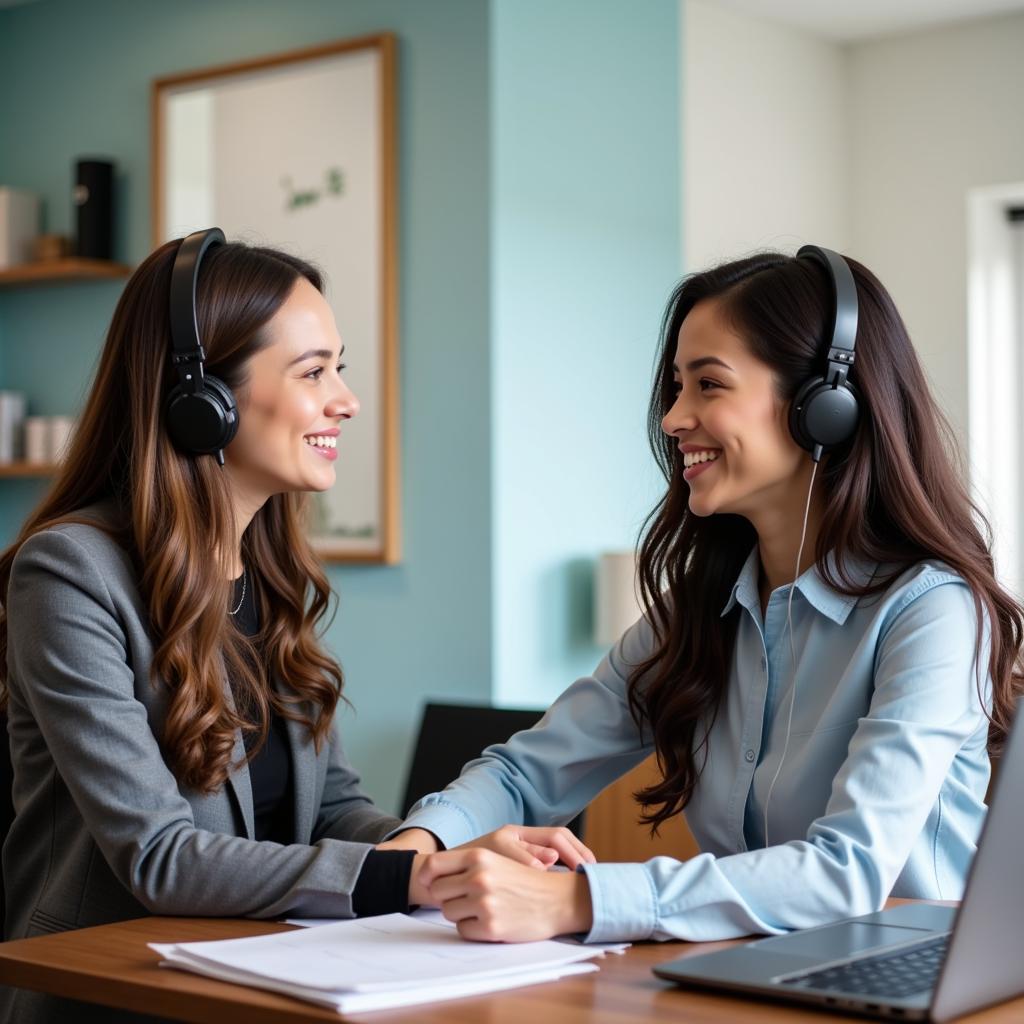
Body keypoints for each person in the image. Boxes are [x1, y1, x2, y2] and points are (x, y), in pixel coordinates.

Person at [0, 230, 588, 1024]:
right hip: (112, 992)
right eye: (314, 372)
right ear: (200, 401)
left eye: (338, 368)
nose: (345, 400)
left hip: (258, 979)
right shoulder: (70, 571)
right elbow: (159, 858)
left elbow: (333, 809)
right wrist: (410, 878)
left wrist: (450, 854)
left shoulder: (269, 571)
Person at [383, 247, 1024, 945]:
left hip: (908, 978)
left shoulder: (932, 610)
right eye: (676, 388)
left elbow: (850, 872)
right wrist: (412, 851)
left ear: (825, 408)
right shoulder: (698, 609)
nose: (673, 419)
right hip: (747, 975)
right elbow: (524, 773)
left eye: (709, 386)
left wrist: (575, 903)